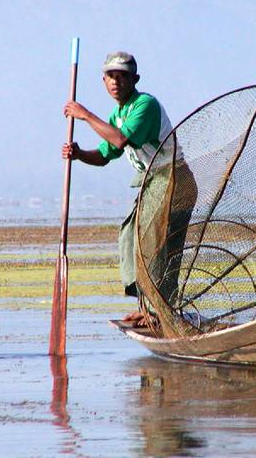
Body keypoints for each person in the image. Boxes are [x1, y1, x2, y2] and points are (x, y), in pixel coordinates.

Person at [62, 51, 178, 327]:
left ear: (134, 79)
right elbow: (104, 155)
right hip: (152, 182)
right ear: (104, 81)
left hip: (172, 179)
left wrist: (86, 115)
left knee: (155, 244)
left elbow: (121, 140)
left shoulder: (144, 105)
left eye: (122, 77)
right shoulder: (117, 114)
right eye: (111, 77)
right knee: (131, 236)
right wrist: (79, 154)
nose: (116, 82)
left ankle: (158, 312)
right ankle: (147, 306)